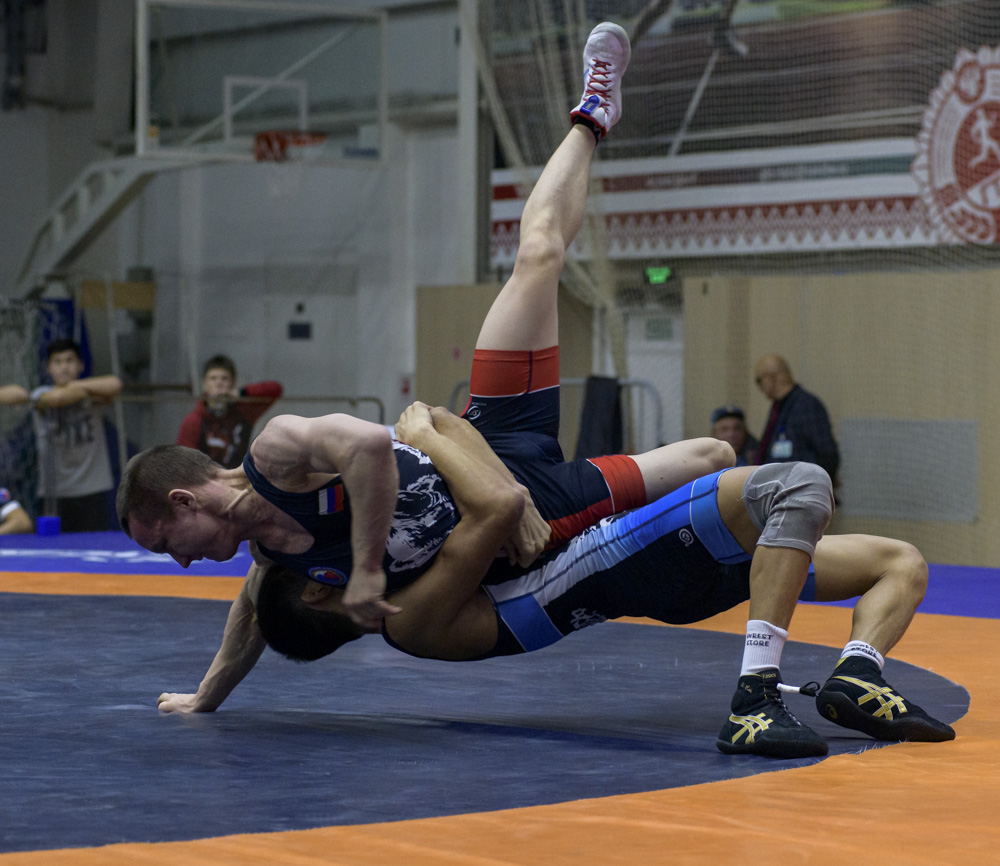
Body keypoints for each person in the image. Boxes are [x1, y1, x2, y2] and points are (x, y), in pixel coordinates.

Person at [118, 21, 731, 624]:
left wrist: (364, 568)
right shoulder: (270, 553)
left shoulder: (275, 460)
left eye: (167, 544)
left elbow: (364, 444)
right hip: (545, 501)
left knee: (539, 257)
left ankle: (594, 113)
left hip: (489, 431)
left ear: (185, 500)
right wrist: (205, 696)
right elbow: (250, 615)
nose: (181, 564)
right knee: (713, 456)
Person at [249, 403, 954, 759]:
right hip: (613, 562)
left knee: (901, 564)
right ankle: (752, 700)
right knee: (796, 484)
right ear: (317, 591)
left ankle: (857, 673)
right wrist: (429, 436)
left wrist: (212, 689)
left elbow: (273, 584)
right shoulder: (404, 616)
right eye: (321, 571)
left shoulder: (389, 598)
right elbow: (496, 509)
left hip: (659, 576)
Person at [31, 340, 122, 532]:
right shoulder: (40, 393)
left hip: (92, 489)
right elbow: (56, 399)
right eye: (57, 362)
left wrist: (78, 387)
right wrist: (82, 392)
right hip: (55, 493)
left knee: (94, 547)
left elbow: (115, 383)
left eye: (70, 360)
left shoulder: (88, 389)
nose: (64, 367)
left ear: (81, 365)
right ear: (48, 368)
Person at [176, 355, 283, 470]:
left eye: (224, 378)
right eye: (213, 378)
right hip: (205, 478)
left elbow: (275, 389)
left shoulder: (243, 412)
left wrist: (241, 392)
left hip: (237, 475)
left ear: (232, 382)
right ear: (204, 383)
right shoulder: (194, 420)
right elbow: (183, 461)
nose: (219, 383)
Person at [754, 354, 840, 482]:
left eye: (759, 380)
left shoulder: (806, 405)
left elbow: (827, 455)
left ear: (771, 377)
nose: (760, 388)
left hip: (800, 492)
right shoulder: (779, 407)